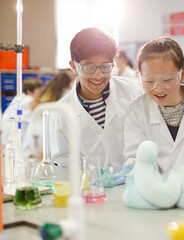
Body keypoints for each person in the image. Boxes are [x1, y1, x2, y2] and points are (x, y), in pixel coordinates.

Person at [122, 37, 184, 185]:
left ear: (182, 74)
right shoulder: (137, 109)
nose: (158, 88)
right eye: (149, 81)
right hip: (156, 194)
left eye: (167, 80)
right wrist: (136, 168)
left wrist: (178, 184)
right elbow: (137, 156)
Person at [50, 27, 142, 173]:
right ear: (74, 66)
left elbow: (145, 142)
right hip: (89, 191)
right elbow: (62, 165)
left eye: (105, 67)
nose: (98, 76)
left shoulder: (133, 92)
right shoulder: (61, 113)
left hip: (133, 185)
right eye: (89, 68)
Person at [21, 70, 76, 159]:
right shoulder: (66, 99)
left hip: (31, 152)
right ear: (70, 85)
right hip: (43, 154)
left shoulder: (44, 98)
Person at [1, 78, 43, 146]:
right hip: (12, 138)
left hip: (8, 137)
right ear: (29, 91)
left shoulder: (20, 98)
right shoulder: (29, 100)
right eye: (38, 91)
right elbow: (39, 118)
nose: (40, 94)